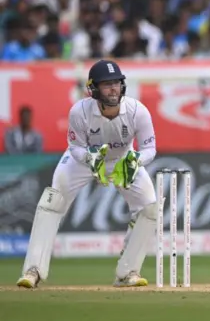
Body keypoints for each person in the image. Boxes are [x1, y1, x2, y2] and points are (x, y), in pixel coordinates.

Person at [17, 59, 158, 288]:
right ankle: (33, 271)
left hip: (123, 159)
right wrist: (90, 159)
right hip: (82, 161)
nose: (113, 89)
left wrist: (135, 161)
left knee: (150, 208)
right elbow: (75, 147)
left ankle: (127, 273)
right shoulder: (79, 111)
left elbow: (150, 148)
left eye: (117, 83)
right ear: (93, 89)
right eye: (106, 84)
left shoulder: (137, 111)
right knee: (52, 202)